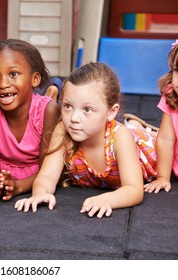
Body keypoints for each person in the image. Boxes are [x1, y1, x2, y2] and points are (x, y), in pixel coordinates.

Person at [15, 62, 157, 218]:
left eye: (87, 110)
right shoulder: (64, 130)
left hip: (147, 147)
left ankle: (139, 128)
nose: (74, 118)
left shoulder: (120, 137)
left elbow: (134, 190)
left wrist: (107, 199)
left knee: (151, 140)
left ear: (111, 112)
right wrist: (40, 193)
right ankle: (133, 125)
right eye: (68, 106)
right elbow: (47, 176)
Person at [0, 39, 61, 201]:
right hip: (4, 169)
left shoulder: (49, 111)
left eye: (13, 74)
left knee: (51, 103)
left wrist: (19, 186)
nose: (3, 84)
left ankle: (54, 89)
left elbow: (48, 170)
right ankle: (52, 89)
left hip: (37, 173)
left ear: (34, 79)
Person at [141, 39, 178, 193]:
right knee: (146, 144)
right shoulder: (172, 95)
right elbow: (166, 139)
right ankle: (141, 129)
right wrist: (163, 177)